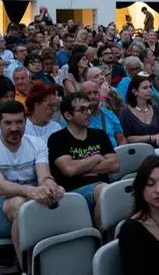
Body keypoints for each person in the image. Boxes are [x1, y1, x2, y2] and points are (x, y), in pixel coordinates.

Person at [0, 100, 64, 266]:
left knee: (61, 193)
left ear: (26, 122)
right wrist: (32, 191)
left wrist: (49, 184)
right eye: (8, 123)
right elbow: (0, 187)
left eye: (19, 122)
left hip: (32, 205)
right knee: (17, 203)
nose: (14, 128)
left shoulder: (37, 143)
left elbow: (43, 174)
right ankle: (27, 270)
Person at [48, 92, 119, 224]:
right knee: (103, 190)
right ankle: (102, 239)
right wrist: (96, 158)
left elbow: (114, 165)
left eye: (89, 108)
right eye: (82, 109)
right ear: (68, 115)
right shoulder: (57, 139)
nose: (88, 113)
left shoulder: (99, 135)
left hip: (101, 189)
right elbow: (68, 169)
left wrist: (80, 166)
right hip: (74, 193)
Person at [120, 73, 159, 148]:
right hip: (137, 152)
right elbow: (128, 138)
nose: (149, 90)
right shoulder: (125, 112)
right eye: (145, 88)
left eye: (150, 87)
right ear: (135, 91)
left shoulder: (155, 108)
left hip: (158, 150)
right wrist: (151, 137)